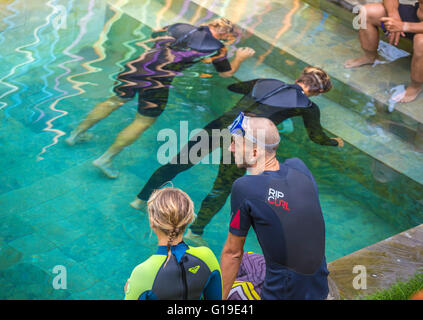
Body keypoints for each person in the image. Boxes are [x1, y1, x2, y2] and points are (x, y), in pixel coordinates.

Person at [131, 67, 344, 243]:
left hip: (221, 126)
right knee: (221, 187)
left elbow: (233, 86)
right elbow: (317, 137)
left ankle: (140, 200)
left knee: (177, 163)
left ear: (300, 77)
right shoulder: (307, 106)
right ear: (317, 92)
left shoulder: (265, 81)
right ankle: (195, 232)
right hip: (243, 142)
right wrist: (335, 142)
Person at [66, 18, 255, 178]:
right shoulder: (217, 48)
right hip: (157, 82)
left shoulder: (179, 26)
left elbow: (155, 34)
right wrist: (239, 57)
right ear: (225, 35)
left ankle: (75, 135)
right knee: (143, 121)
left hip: (136, 67)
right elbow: (226, 74)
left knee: (114, 100)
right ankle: (105, 159)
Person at [220, 116, 329, 300]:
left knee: (228, 278)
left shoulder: (244, 187)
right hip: (319, 289)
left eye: (236, 143)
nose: (231, 148)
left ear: (255, 152)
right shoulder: (299, 166)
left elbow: (232, 254)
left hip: (283, 295)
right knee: (247, 259)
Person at [124, 187, 222, 300]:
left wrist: (127, 292)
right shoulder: (206, 256)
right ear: (189, 219)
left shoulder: (142, 273)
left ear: (152, 222)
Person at [344, 0, 423, 103]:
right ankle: (370, 57)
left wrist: (403, 26)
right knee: (365, 12)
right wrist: (393, 15)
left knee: (421, 42)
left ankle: (415, 86)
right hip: (417, 16)